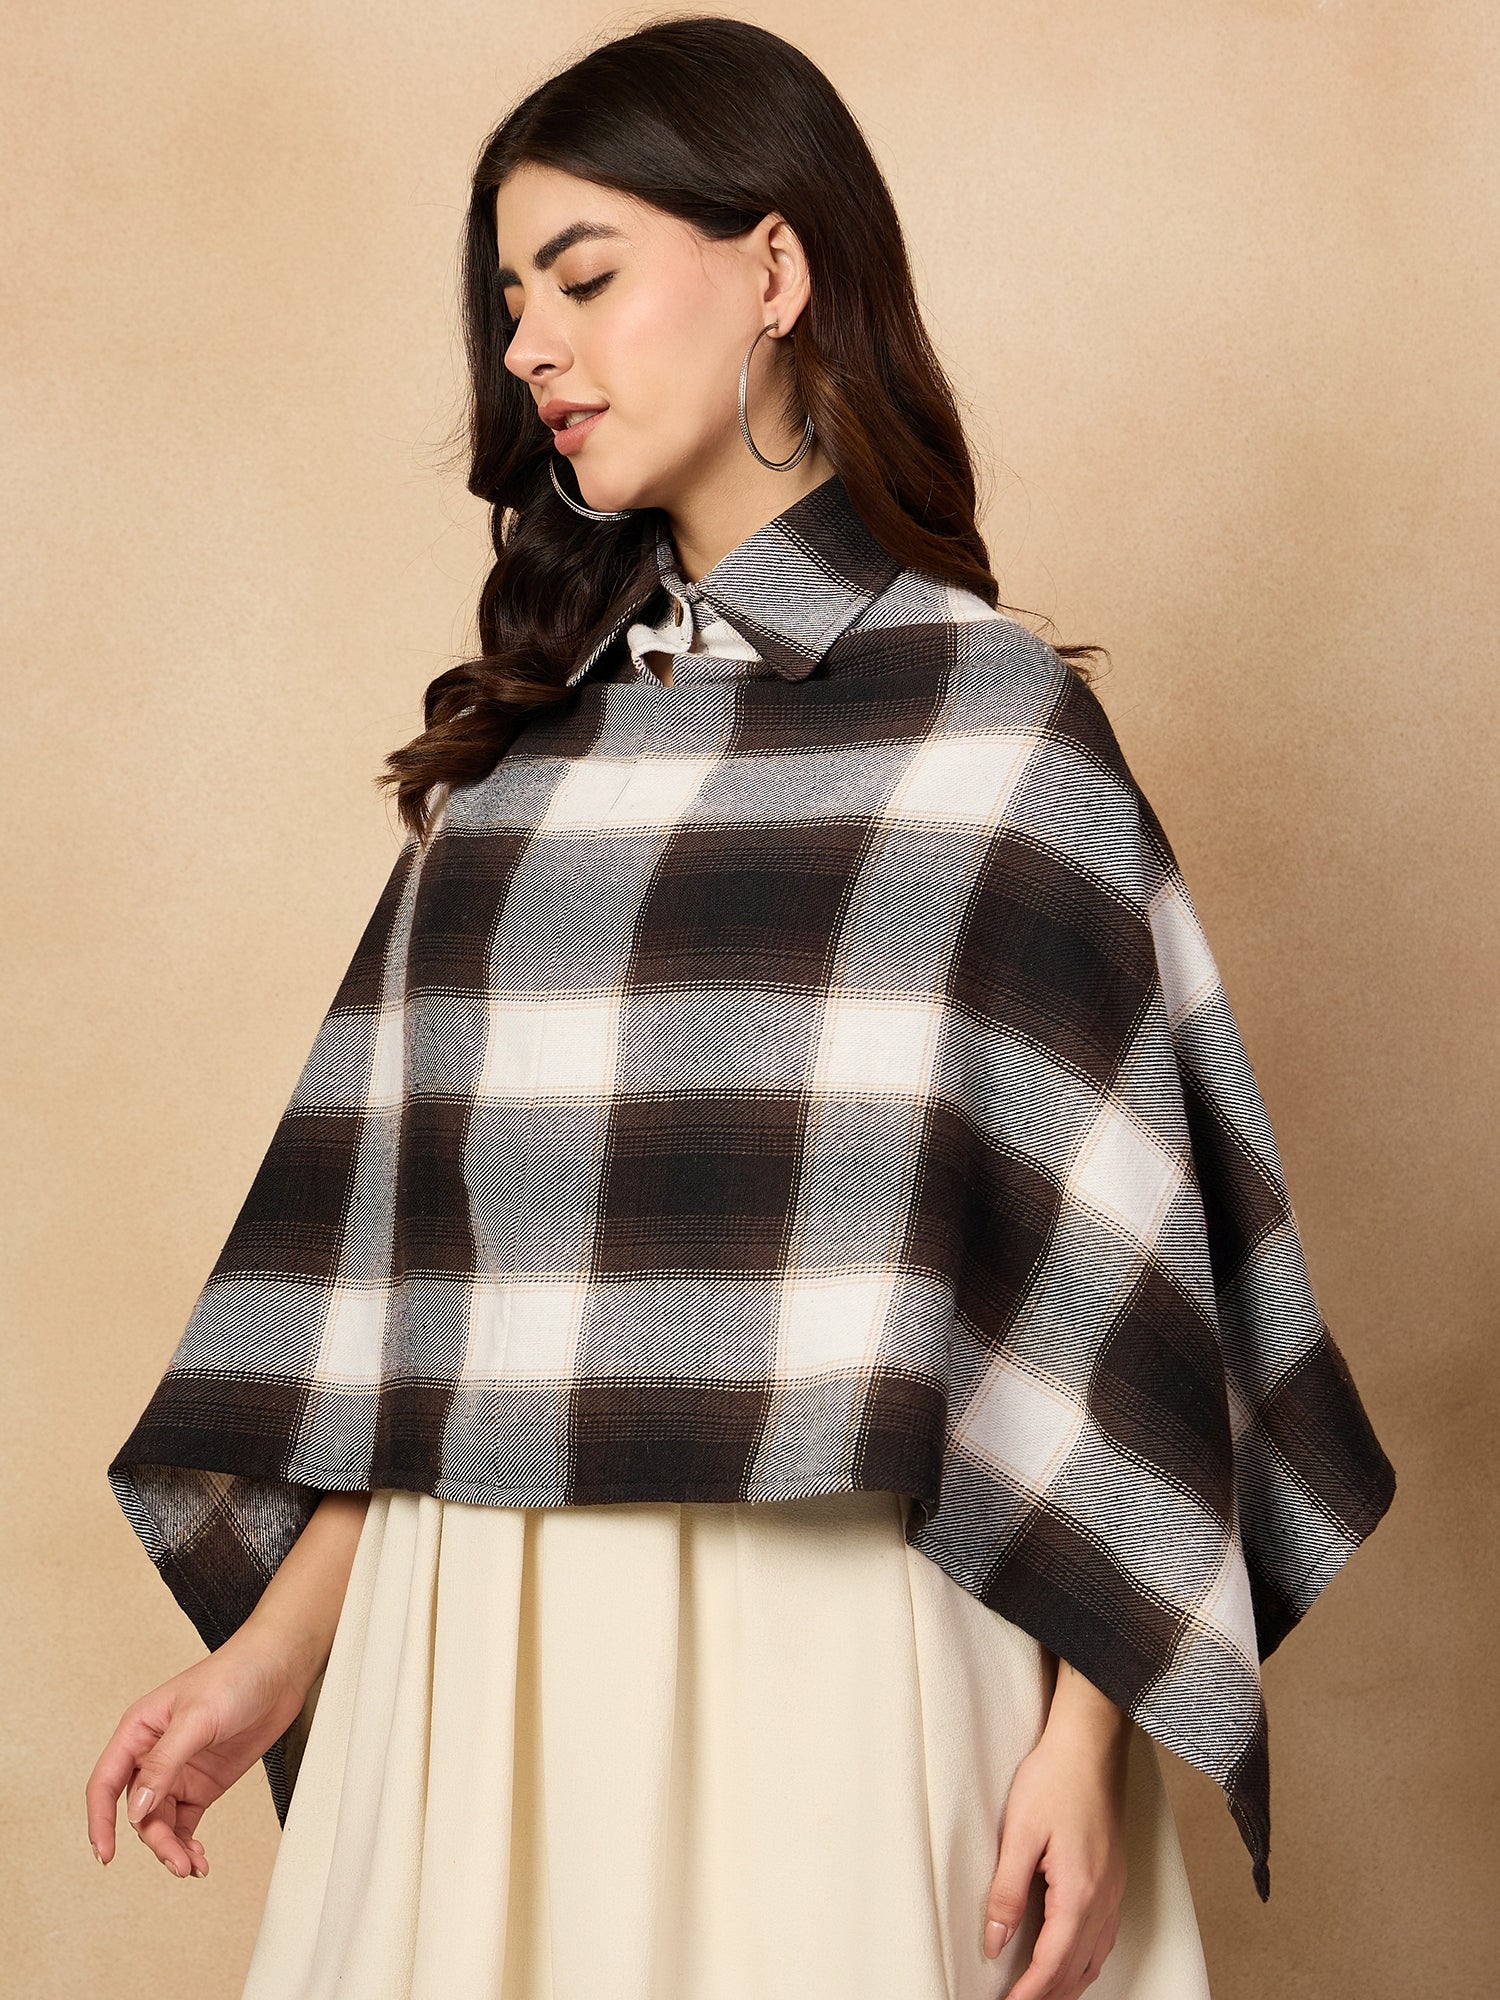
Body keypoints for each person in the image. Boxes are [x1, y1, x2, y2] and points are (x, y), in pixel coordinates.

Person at [85, 18, 1395, 2000]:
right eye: (510, 303)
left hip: (849, 1672)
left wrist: (1084, 1743)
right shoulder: (517, 780)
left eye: (586, 277)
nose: (531, 347)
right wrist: (268, 1664)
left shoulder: (994, 737)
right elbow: (428, 1332)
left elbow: (1108, 1302)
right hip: (489, 1674)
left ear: (776, 271)